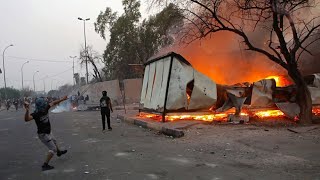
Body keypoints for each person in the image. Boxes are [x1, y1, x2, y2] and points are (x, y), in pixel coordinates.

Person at [24, 96, 68, 171]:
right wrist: (27, 110)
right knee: (53, 149)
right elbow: (27, 119)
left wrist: (62, 99)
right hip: (43, 134)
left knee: (54, 141)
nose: (45, 104)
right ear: (41, 105)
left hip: (48, 131)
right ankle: (45, 165)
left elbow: (53, 102)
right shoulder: (36, 114)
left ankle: (59, 152)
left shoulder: (46, 108)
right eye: (44, 103)